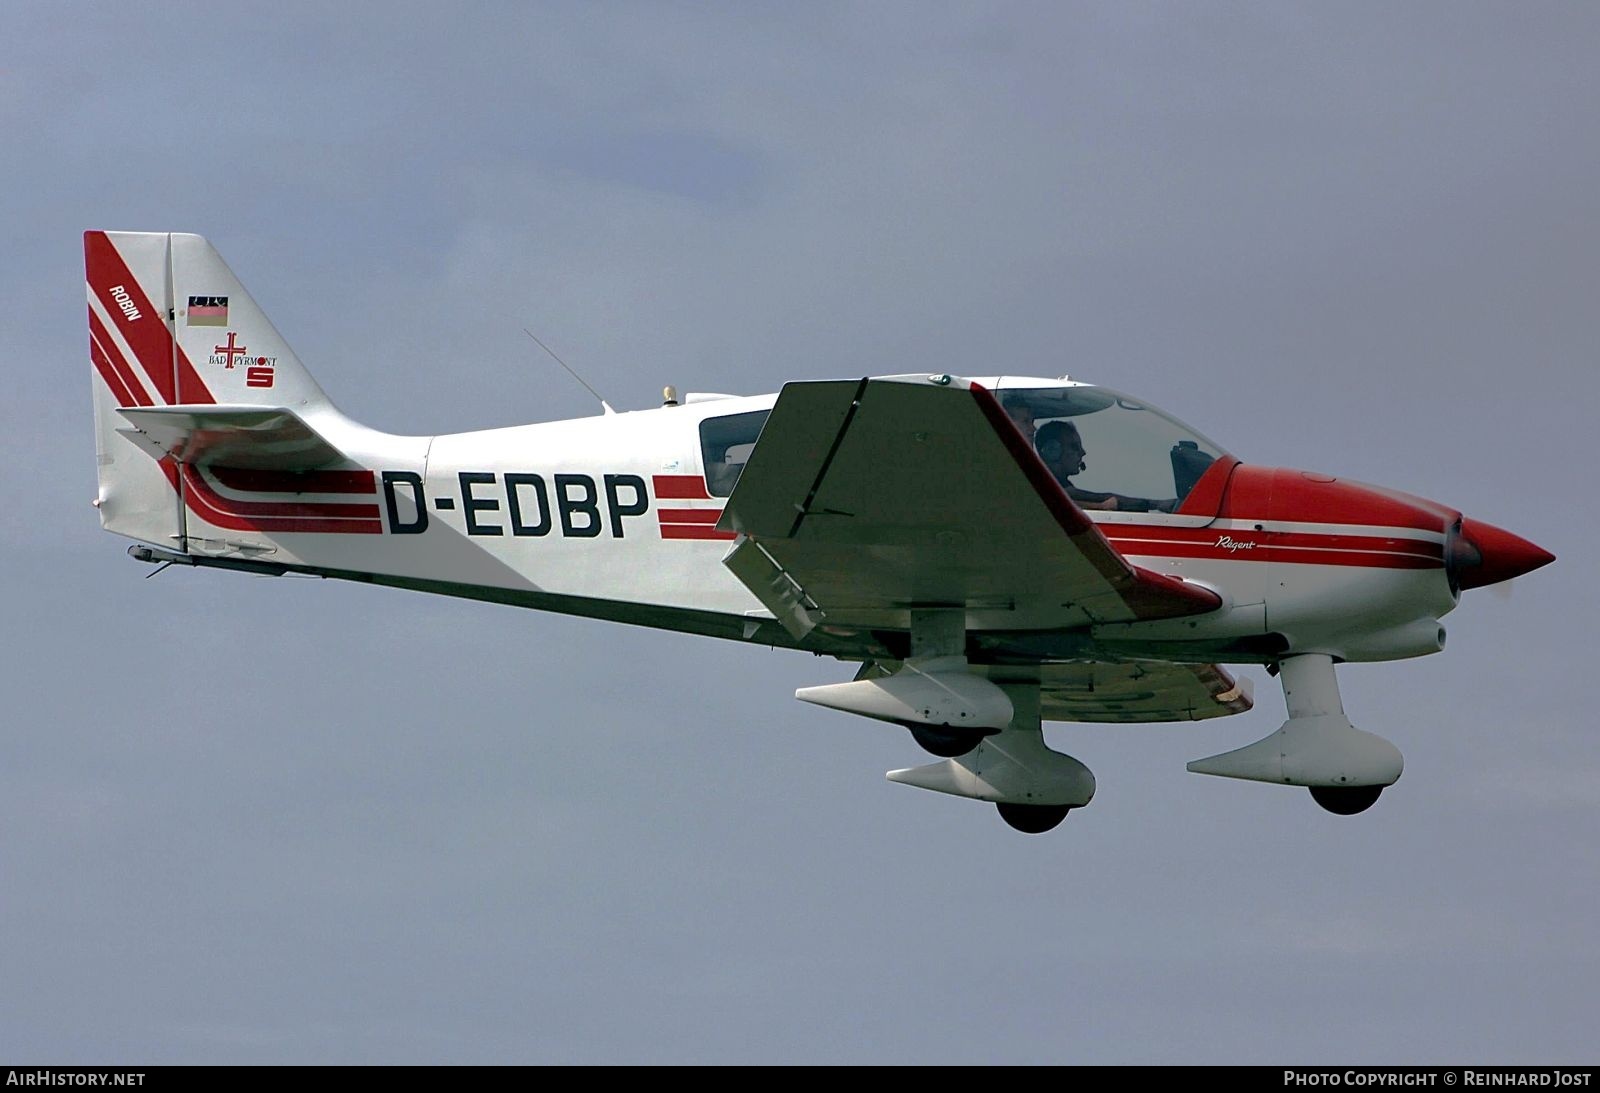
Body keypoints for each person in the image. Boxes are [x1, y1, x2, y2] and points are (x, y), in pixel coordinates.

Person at [1034, 420, 1175, 513]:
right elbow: (1098, 497)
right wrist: (1155, 504)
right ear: (1052, 450)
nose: (1082, 452)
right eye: (1074, 446)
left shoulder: (1059, 486)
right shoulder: (1044, 485)